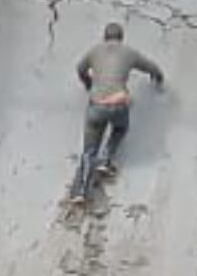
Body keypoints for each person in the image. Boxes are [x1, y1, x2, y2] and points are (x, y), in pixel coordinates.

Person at [70, 22, 165, 201]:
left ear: (105, 37)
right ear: (121, 38)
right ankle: (106, 159)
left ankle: (81, 191)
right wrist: (159, 77)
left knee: (89, 150)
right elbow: (151, 67)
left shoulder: (94, 51)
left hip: (96, 106)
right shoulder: (129, 52)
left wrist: (88, 83)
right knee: (121, 128)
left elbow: (80, 69)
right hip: (117, 104)